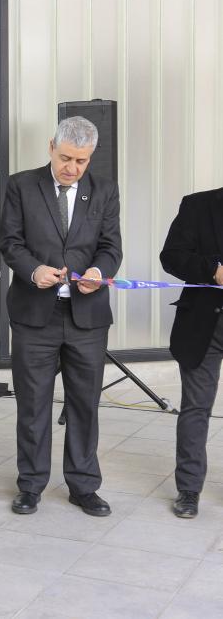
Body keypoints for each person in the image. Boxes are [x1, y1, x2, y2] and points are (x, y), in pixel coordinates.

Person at [0, 116, 121, 517]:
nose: (72, 168)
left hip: (87, 316)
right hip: (36, 314)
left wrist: (98, 273)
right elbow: (10, 242)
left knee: (85, 403)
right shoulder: (20, 185)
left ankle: (84, 485)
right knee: (33, 404)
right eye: (66, 157)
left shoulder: (103, 190)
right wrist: (34, 271)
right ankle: (31, 485)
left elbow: (111, 246)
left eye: (82, 161)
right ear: (51, 146)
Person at [160, 188, 223, 518]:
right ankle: (189, 490)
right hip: (203, 324)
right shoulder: (197, 205)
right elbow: (171, 256)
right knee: (196, 408)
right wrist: (213, 270)